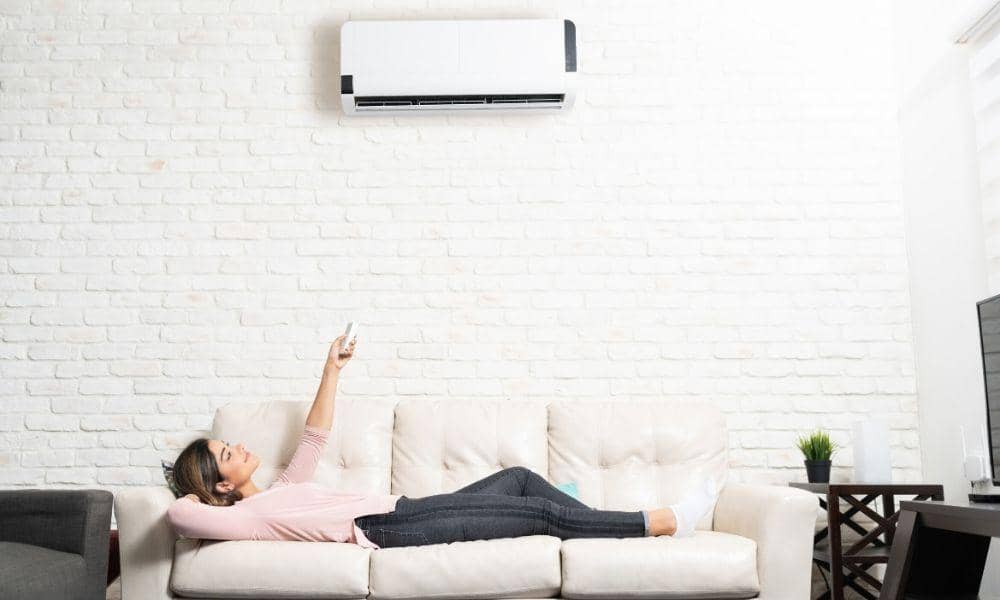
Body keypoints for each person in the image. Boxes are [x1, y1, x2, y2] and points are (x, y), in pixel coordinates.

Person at [167, 336, 718, 549]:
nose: (236, 446)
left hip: (401, 510)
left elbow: (315, 435)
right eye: (225, 454)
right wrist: (193, 498)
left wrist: (330, 369)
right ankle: (660, 522)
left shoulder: (283, 489)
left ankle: (607, 529)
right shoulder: (248, 519)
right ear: (219, 482)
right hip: (388, 529)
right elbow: (181, 520)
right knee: (539, 513)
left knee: (522, 480)